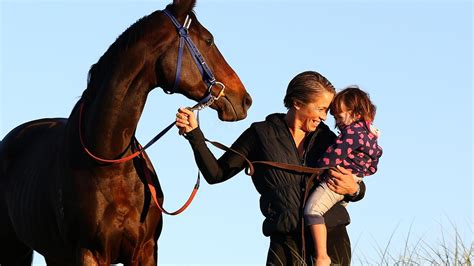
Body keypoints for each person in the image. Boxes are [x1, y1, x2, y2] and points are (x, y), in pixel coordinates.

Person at [175, 71, 365, 266]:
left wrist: (355, 190)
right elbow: (216, 173)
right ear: (297, 103)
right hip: (284, 244)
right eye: (320, 109)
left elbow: (357, 180)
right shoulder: (260, 134)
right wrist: (194, 134)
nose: (324, 117)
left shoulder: (331, 140)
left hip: (331, 241)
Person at [304, 86, 383, 266]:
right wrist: (360, 174)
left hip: (336, 180)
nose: (336, 122)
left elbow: (335, 154)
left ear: (355, 114)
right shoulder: (369, 135)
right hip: (354, 178)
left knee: (313, 211)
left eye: (339, 117)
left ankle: (322, 255)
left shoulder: (351, 134)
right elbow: (376, 159)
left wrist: (319, 168)